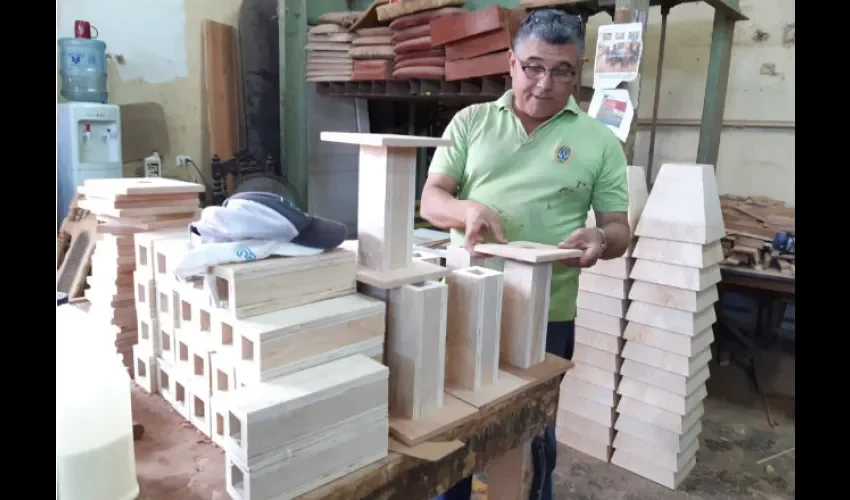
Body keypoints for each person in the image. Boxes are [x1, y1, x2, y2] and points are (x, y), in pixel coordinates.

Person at [420, 8, 631, 500]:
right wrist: (466, 209)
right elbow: (433, 201)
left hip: (548, 313)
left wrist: (600, 241)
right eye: (533, 66)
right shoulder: (470, 122)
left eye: (561, 70)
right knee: (451, 426)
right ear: (511, 64)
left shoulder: (599, 142)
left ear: (576, 72)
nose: (545, 83)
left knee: (532, 436)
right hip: (465, 300)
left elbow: (619, 229)